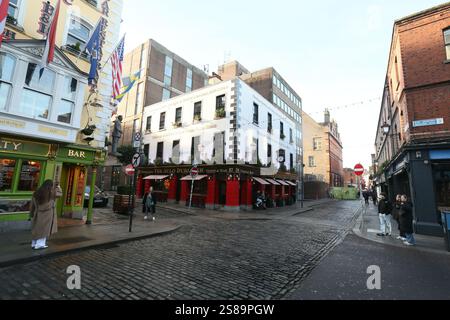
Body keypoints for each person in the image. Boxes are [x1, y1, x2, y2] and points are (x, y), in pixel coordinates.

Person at [30, 180, 58, 250]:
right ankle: (40, 244)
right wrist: (58, 187)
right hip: (47, 215)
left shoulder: (36, 193)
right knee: (44, 230)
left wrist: (31, 213)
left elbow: (32, 205)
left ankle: (34, 243)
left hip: (37, 213)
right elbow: (60, 194)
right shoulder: (50, 195)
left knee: (36, 229)